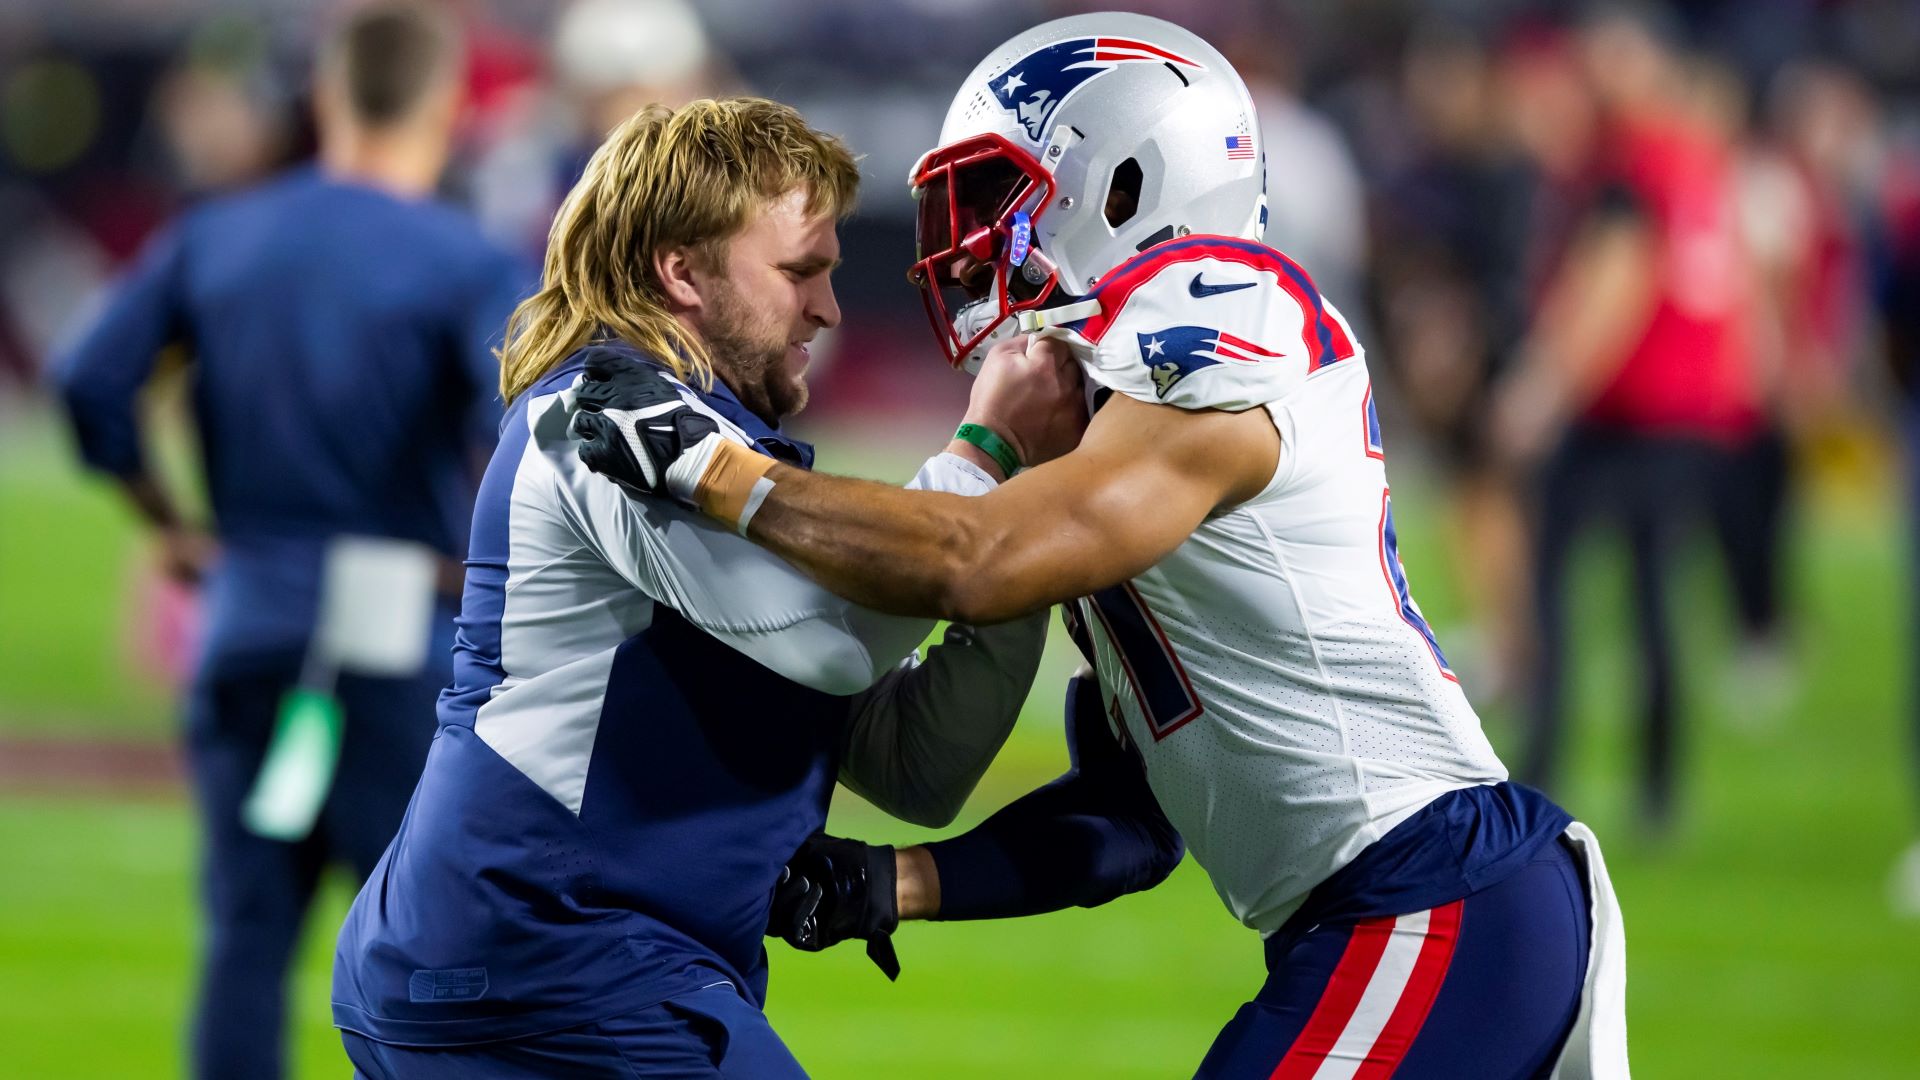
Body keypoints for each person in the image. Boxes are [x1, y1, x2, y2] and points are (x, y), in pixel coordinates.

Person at [572, 13, 1627, 1078]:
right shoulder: (1114, 412)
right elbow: (1131, 822)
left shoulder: (1223, 311)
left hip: (1432, 901)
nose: (970, 239)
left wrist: (714, 472)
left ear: (1125, 182)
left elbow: (971, 563)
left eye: (995, 196)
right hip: (1394, 920)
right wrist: (892, 885)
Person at [330, 96, 1050, 1077]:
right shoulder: (601, 415)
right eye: (800, 272)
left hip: (573, 965)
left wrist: (1013, 558)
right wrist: (982, 461)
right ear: (682, 270)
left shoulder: (731, 450)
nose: (828, 310)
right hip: (541, 958)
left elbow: (918, 770)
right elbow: (829, 638)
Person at [51, 5, 528, 1077]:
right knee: (427, 953)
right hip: (394, 625)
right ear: (446, 109)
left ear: (326, 97)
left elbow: (89, 380)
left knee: (245, 942)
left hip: (248, 610)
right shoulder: (460, 258)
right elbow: (529, 419)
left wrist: (168, 527)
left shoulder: (219, 232)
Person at [1494, 8, 1765, 830]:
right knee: (1653, 600)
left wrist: (1541, 386)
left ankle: (1542, 771)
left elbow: (1618, 283)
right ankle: (1657, 790)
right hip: (1688, 412)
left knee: (1558, 591)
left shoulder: (1632, 165)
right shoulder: (1702, 159)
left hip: (1627, 412)